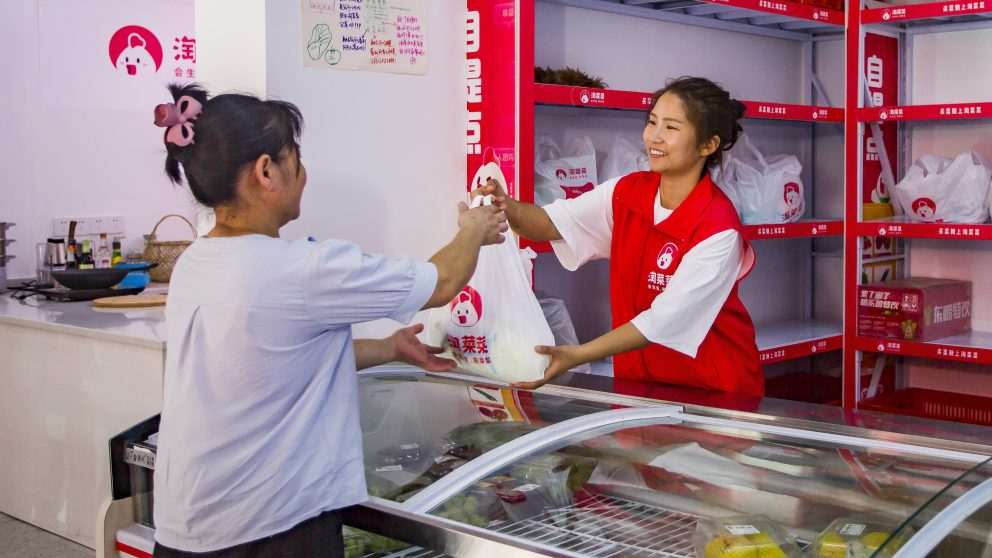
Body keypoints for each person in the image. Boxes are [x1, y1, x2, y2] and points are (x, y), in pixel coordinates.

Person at [150, 84, 507, 557]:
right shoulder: (302, 270)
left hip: (187, 526)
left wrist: (390, 347)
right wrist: (473, 231)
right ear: (265, 171)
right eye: (295, 159)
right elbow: (441, 283)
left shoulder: (198, 261)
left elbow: (271, 360)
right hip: (269, 529)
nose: (304, 173)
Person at [477, 76, 762, 396]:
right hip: (640, 384)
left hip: (713, 390)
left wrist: (577, 355)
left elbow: (662, 321)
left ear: (708, 145)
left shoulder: (718, 228)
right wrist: (507, 207)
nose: (654, 136)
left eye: (671, 128)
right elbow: (549, 223)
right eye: (652, 122)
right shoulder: (627, 193)